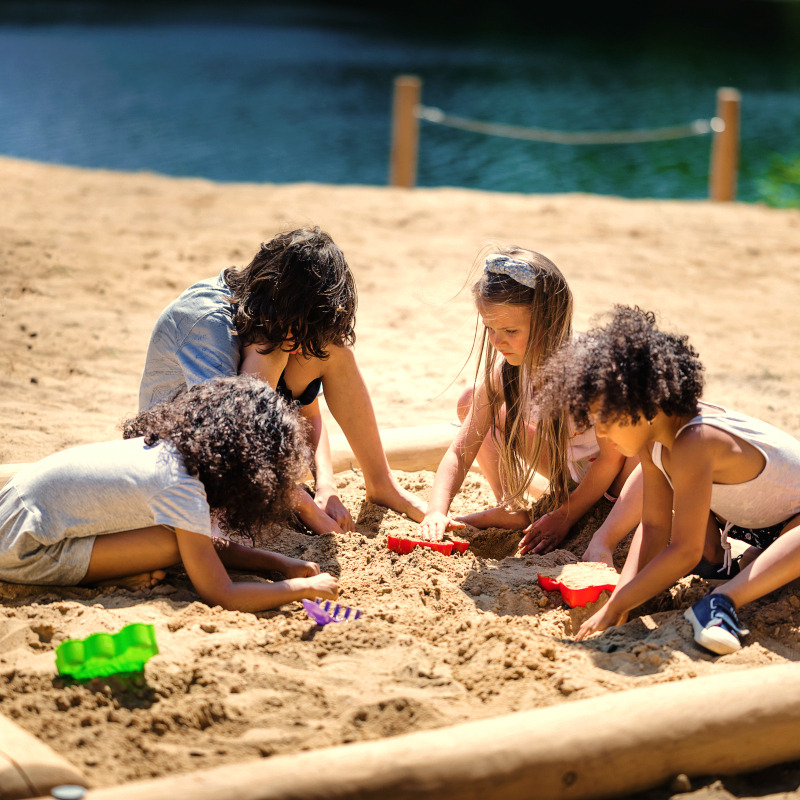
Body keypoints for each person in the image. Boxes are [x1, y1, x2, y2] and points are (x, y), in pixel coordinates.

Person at [537, 305, 800, 654]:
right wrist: (624, 597)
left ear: (645, 405)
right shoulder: (653, 443)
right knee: (750, 568)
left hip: (788, 521)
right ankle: (732, 574)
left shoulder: (696, 440)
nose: (598, 430)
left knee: (743, 569)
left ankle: (720, 601)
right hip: (756, 524)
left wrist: (617, 604)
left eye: (604, 418)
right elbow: (654, 527)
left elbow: (684, 550)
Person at [139, 226, 425, 535]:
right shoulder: (208, 323)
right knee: (270, 354)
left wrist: (326, 487)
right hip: (189, 455)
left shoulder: (267, 319)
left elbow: (310, 415)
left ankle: (381, 483)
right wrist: (310, 511)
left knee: (334, 351)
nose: (302, 348)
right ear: (282, 305)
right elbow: (231, 439)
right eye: (299, 333)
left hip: (246, 446)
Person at [0, 376, 339, 611]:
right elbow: (221, 592)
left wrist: (281, 563)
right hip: (22, 548)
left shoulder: (171, 451)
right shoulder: (182, 487)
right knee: (172, 544)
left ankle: (115, 569)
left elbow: (205, 541)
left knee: (186, 539)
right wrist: (300, 589)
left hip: (14, 507)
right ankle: (113, 575)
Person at [420, 247, 636, 551]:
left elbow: (612, 459)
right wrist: (436, 511)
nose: (497, 341)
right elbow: (460, 450)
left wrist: (564, 516)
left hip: (618, 477)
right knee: (471, 401)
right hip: (570, 472)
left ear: (550, 319)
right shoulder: (507, 373)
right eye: (490, 328)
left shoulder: (588, 372)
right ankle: (509, 505)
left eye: (510, 330)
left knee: (643, 450)